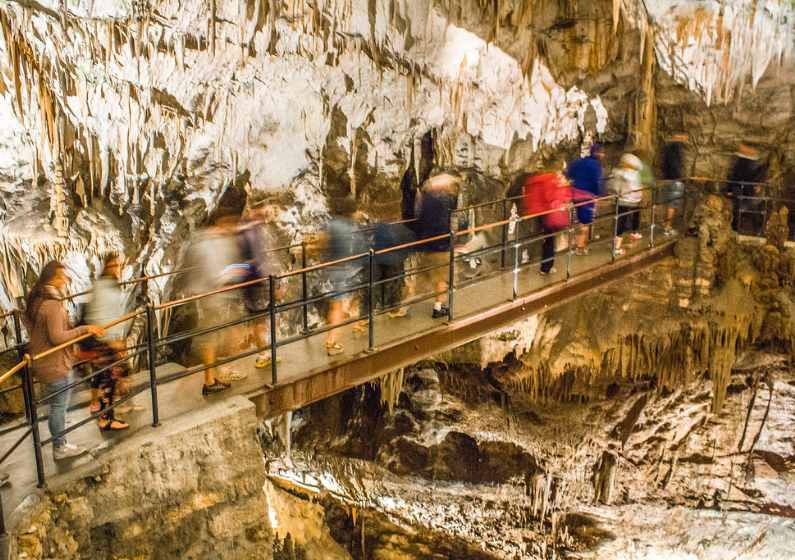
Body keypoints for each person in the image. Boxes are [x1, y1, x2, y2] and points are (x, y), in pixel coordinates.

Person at [25, 261, 105, 460]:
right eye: (62, 278)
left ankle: (60, 444)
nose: (65, 282)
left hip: (49, 362)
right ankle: (60, 447)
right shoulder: (50, 305)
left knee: (60, 403)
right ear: (52, 278)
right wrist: (86, 329)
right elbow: (58, 337)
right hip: (54, 364)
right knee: (59, 406)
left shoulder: (40, 301)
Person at [184, 189, 248, 396]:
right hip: (211, 297)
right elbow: (216, 273)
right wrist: (235, 272)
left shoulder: (206, 240)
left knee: (223, 334)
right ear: (222, 222)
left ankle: (218, 371)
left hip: (213, 296)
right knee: (211, 339)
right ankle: (210, 381)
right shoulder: (210, 243)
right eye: (230, 223)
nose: (232, 227)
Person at [82, 255, 131, 431]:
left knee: (110, 377)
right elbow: (101, 315)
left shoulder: (109, 285)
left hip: (108, 337)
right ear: (107, 267)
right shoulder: (103, 287)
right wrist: (112, 338)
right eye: (114, 265)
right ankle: (106, 419)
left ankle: (111, 413)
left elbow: (113, 312)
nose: (117, 268)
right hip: (104, 340)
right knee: (108, 378)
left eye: (119, 265)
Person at [522, 171, 593, 274]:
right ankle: (545, 268)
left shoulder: (545, 181)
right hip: (549, 216)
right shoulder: (553, 184)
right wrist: (561, 205)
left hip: (541, 213)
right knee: (550, 241)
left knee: (548, 240)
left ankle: (542, 265)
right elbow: (558, 197)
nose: (564, 179)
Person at [238, 203, 281, 369]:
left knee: (259, 317)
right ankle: (262, 354)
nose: (267, 213)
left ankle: (263, 352)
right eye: (264, 209)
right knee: (259, 318)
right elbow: (261, 257)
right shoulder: (250, 230)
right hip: (257, 281)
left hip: (252, 280)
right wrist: (273, 281)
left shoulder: (246, 228)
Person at [324, 197, 367, 355]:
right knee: (339, 306)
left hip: (332, 268)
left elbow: (321, 241)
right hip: (346, 271)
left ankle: (351, 327)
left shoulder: (332, 224)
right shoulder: (352, 227)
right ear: (352, 212)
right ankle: (332, 341)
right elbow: (359, 247)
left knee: (339, 303)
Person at [414, 174, 462, 318]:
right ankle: (437, 308)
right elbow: (441, 224)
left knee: (434, 277)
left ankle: (401, 307)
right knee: (443, 277)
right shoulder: (437, 203)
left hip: (427, 245)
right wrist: (450, 242)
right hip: (439, 246)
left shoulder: (424, 200)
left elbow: (420, 222)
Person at [566, 144, 605, 255]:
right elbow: (596, 182)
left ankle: (580, 244)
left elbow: (569, 173)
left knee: (579, 220)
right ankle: (579, 247)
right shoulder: (595, 165)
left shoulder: (579, 162)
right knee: (585, 222)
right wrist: (598, 194)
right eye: (601, 152)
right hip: (587, 197)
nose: (603, 155)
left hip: (575, 195)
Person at [372, 219, 416, 319]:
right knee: (395, 284)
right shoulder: (395, 225)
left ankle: (383, 306)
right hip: (393, 259)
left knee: (384, 283)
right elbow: (400, 241)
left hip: (380, 259)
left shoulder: (379, 224)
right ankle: (393, 310)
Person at [726, 143, 766, 233]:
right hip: (742, 189)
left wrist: (730, 189)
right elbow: (737, 176)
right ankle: (737, 228)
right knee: (739, 209)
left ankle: (737, 228)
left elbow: (736, 175)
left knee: (741, 209)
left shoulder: (744, 161)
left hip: (742, 189)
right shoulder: (745, 162)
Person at [609, 153, 644, 255]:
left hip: (619, 200)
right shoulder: (633, 174)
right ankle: (618, 247)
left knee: (620, 221)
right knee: (625, 221)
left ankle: (619, 243)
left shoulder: (616, 172)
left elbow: (612, 185)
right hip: (630, 201)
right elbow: (636, 187)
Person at [659, 134, 687, 235]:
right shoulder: (675, 149)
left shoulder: (668, 149)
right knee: (672, 205)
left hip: (667, 179)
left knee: (668, 204)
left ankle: (666, 225)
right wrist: (678, 178)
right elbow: (675, 165)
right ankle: (667, 227)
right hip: (674, 180)